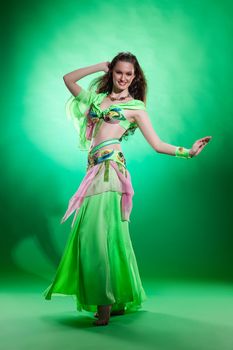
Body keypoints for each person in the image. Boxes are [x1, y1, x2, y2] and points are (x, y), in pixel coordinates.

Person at [43, 52, 212, 326]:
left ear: (135, 78)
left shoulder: (135, 107)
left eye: (128, 74)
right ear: (112, 73)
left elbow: (157, 144)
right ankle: (115, 298)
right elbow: (68, 79)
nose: (123, 78)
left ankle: (105, 304)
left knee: (99, 235)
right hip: (93, 172)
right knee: (97, 235)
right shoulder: (96, 100)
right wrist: (99, 66)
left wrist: (188, 152)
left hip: (112, 172)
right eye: (119, 72)